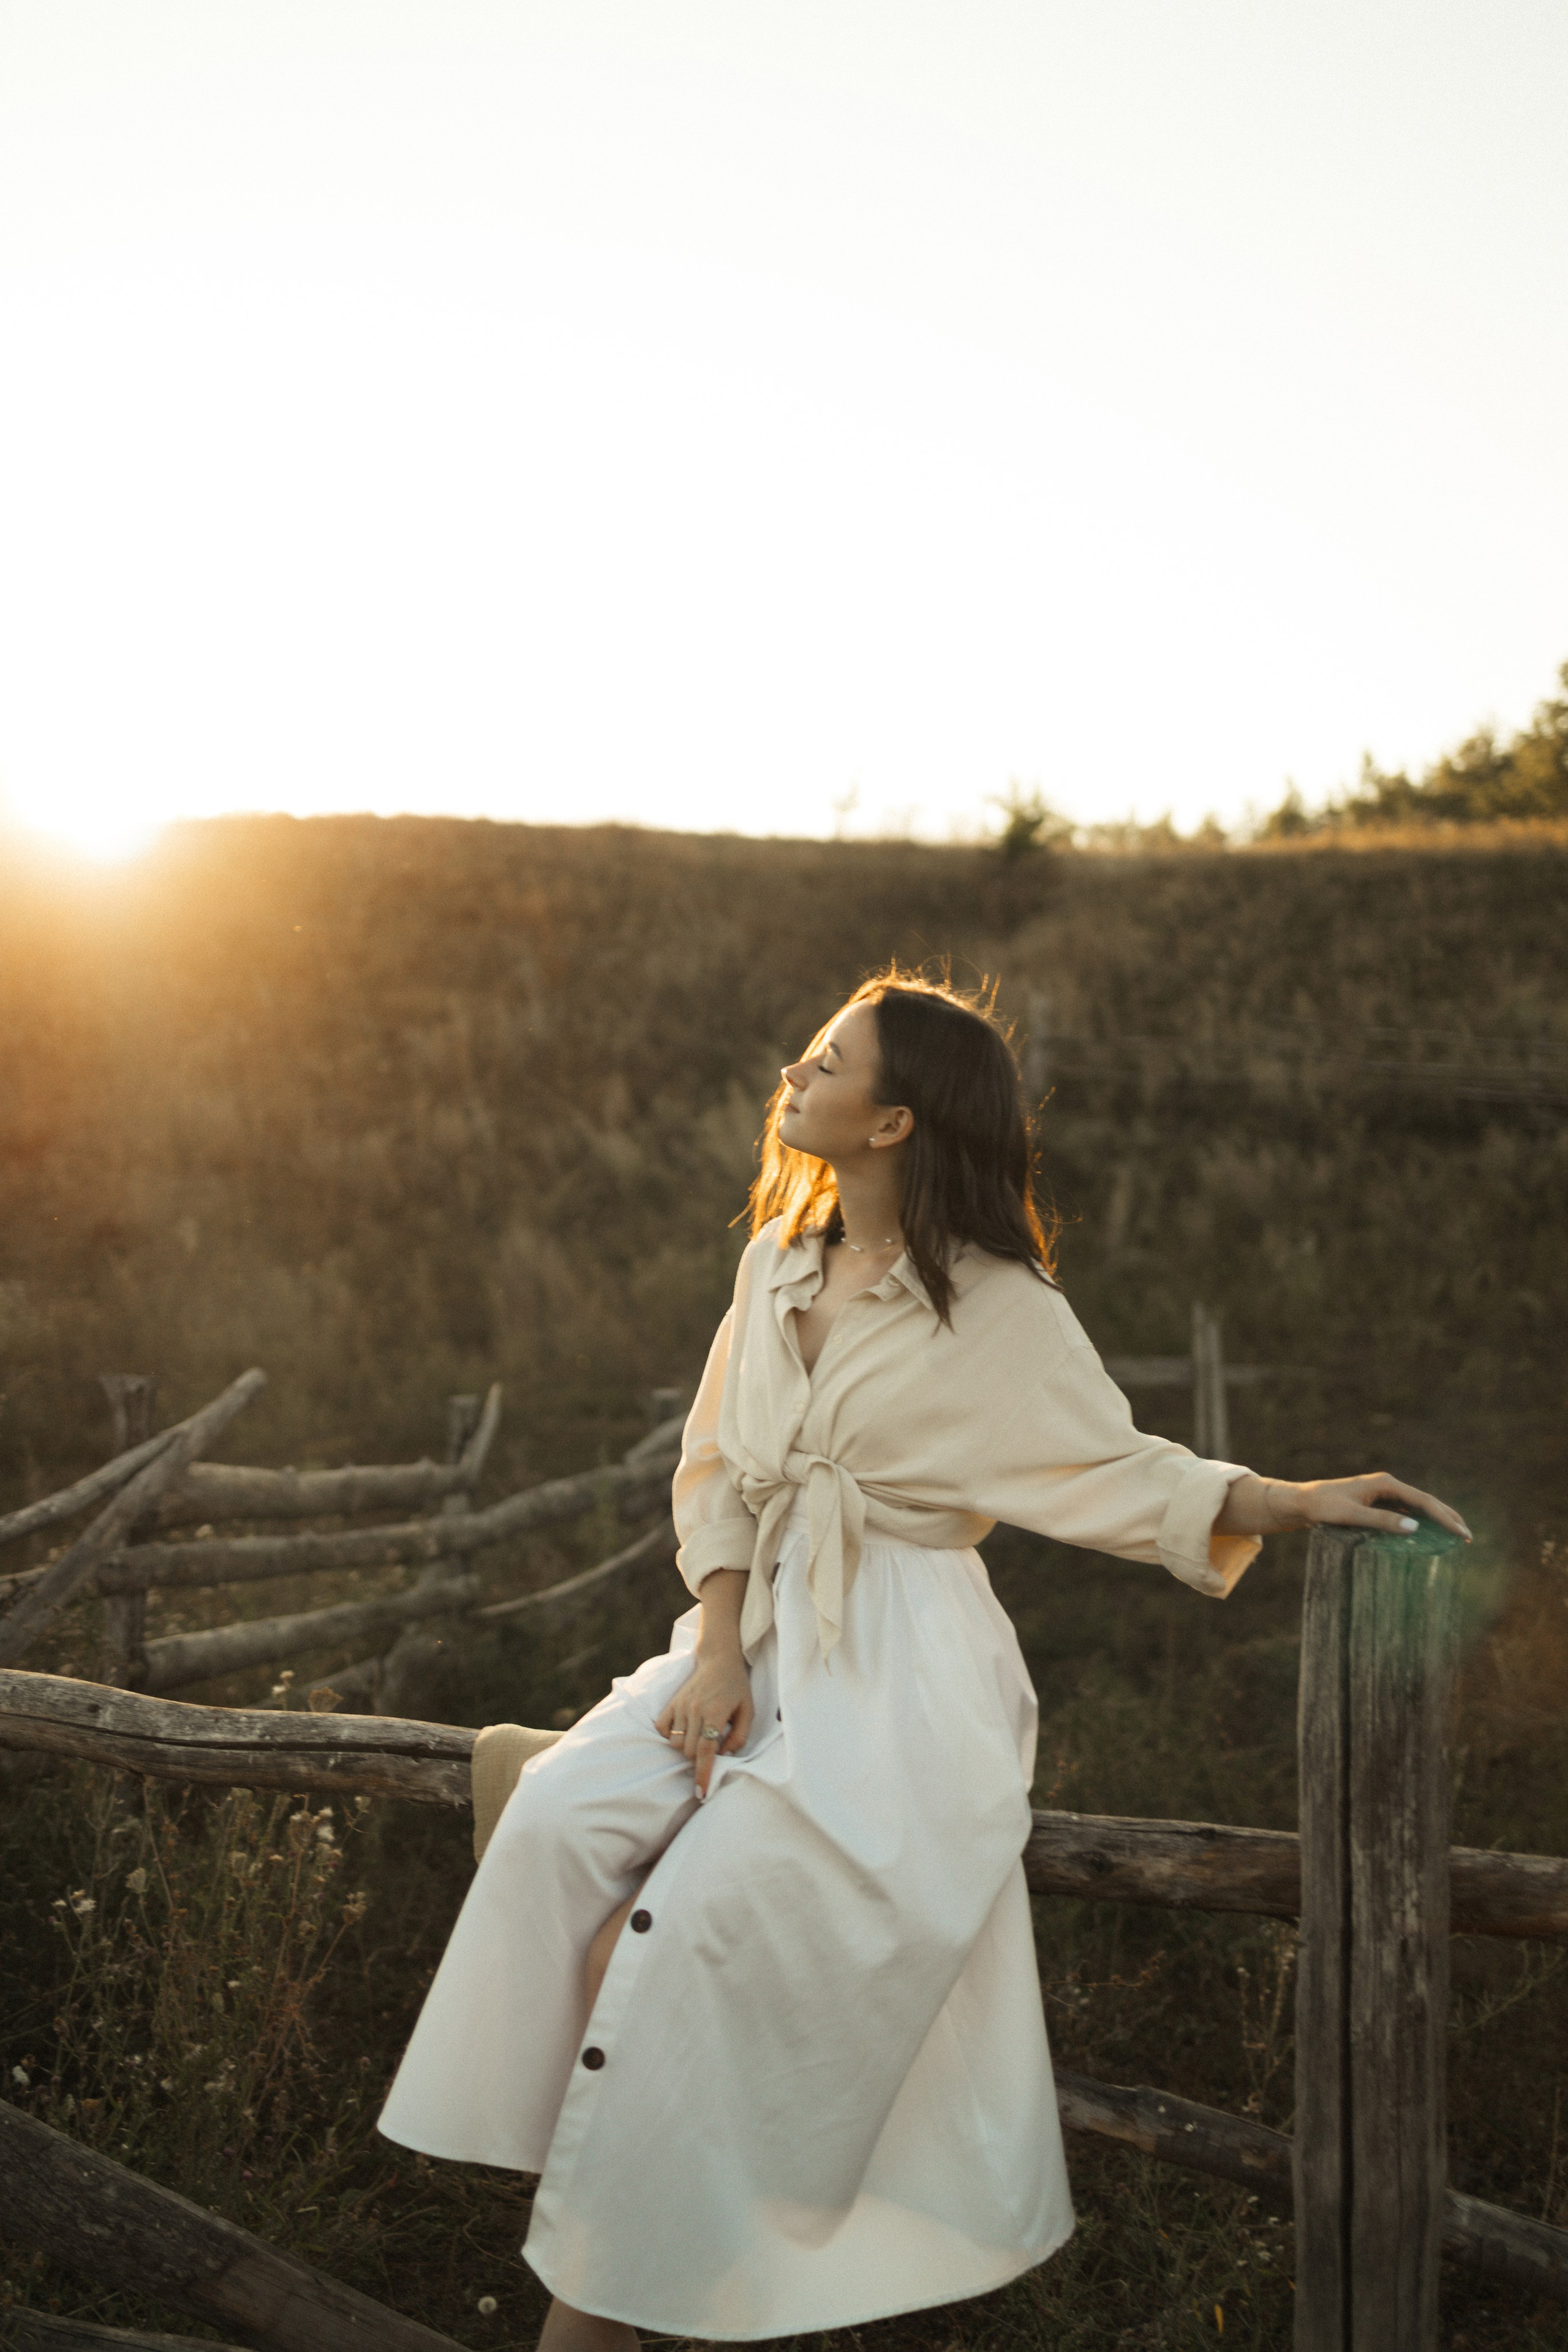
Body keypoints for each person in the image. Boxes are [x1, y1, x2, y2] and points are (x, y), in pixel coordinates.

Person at [378, 970, 1469, 2349]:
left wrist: (1293, 1498)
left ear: (893, 1122)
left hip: (899, 1666)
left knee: (710, 1919)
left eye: (825, 1060)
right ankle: (622, 2180)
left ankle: (632, 2253)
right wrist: (713, 1649)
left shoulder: (999, 1308)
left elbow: (1126, 1470)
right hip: (756, 1626)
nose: (794, 1070)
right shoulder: (774, 1256)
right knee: (555, 1815)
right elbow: (712, 1470)